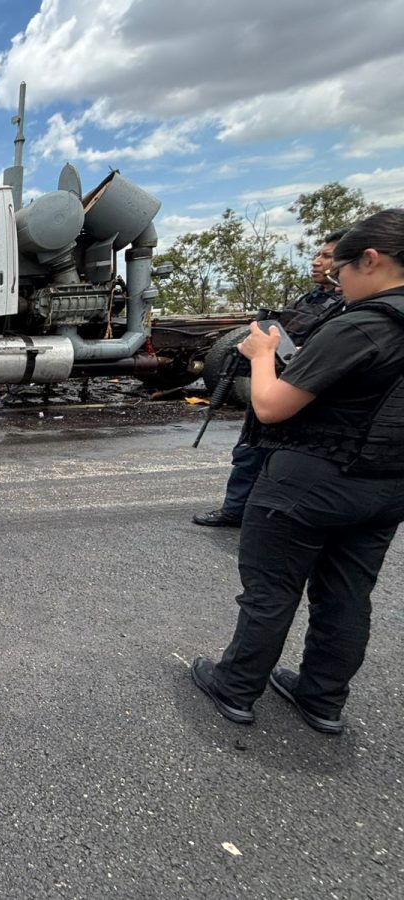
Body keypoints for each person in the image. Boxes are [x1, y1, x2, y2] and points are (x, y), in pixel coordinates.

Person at [192, 210, 404, 735]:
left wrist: (263, 353)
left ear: (371, 261)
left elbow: (270, 406)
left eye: (341, 272)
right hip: (387, 484)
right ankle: (322, 701)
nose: (338, 282)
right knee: (348, 594)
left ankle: (236, 687)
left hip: (309, 481)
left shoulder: (363, 323)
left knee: (272, 591)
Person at [193, 232, 349, 527]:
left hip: (301, 390)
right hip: (277, 379)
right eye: (318, 254)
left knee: (278, 455)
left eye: (327, 256)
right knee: (251, 449)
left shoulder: (348, 309)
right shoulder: (313, 298)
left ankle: (264, 514)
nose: (317, 262)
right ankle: (237, 509)